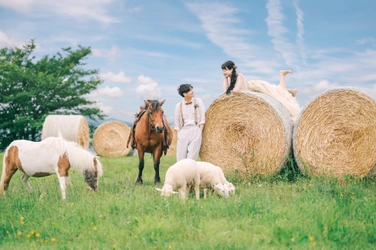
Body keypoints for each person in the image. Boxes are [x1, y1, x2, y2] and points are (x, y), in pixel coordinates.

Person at [221, 60, 301, 122]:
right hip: (250, 92)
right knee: (277, 91)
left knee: (278, 93)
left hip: (256, 86)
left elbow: (236, 91)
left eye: (226, 70)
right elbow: (226, 90)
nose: (224, 72)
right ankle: (290, 91)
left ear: (232, 69)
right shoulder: (229, 78)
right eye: (223, 70)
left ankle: (282, 74)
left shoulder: (240, 76)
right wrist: (226, 79)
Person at [174, 84, 205, 161]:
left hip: (195, 129)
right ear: (184, 94)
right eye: (190, 90)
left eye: (192, 89)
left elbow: (202, 118)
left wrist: (199, 132)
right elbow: (176, 123)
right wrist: (179, 135)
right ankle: (181, 173)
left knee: (191, 158)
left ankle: (190, 173)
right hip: (184, 131)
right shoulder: (178, 105)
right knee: (180, 159)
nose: (192, 91)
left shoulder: (198, 102)